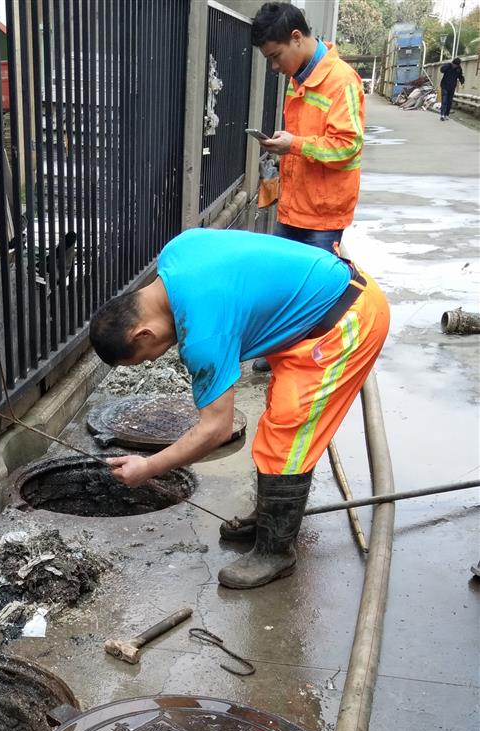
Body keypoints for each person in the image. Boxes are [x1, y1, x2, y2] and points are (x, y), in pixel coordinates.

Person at [88, 228, 390, 590]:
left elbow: (216, 428)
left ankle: (276, 552)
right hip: (317, 304)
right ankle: (270, 518)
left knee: (288, 437)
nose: (156, 359)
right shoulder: (175, 254)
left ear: (143, 334)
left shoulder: (203, 335)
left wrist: (148, 468)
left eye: (144, 359)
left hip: (345, 322)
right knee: (278, 425)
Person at [248, 3, 365, 371]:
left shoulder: (342, 80)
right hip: (295, 204)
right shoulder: (299, 77)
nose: (274, 66)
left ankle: (307, 363)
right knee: (284, 284)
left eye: (276, 56)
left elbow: (348, 145)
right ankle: (280, 348)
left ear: (296, 38)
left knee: (317, 292)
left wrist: (293, 144)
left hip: (324, 212)